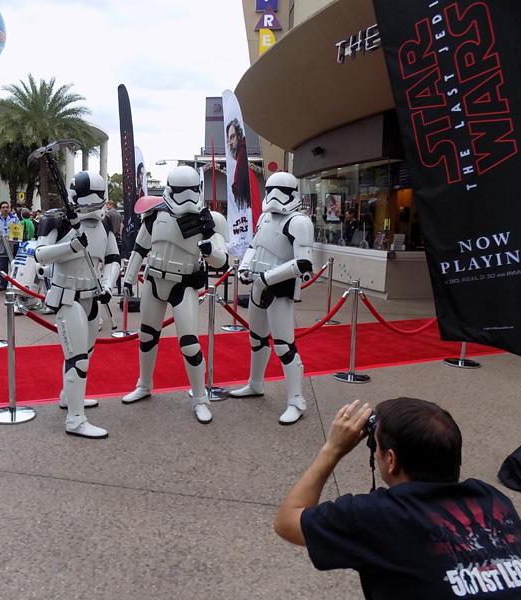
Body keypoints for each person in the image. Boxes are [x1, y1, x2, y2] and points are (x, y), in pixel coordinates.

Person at [274, 397, 521, 599]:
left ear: (391, 460)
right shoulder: (494, 500)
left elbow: (287, 521)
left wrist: (332, 449)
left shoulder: (379, 515)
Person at [122, 166, 229, 424]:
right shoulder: (154, 215)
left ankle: (201, 398)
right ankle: (144, 384)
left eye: (193, 191)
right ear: (170, 190)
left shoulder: (210, 221)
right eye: (182, 191)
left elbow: (222, 260)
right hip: (154, 280)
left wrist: (209, 251)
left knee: (190, 344)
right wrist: (127, 279)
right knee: (147, 336)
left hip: (184, 284)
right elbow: (139, 248)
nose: (188, 197)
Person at [34, 171, 120, 438]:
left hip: (91, 296)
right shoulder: (55, 219)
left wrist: (107, 285)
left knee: (86, 353)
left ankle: (67, 396)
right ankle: (75, 420)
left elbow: (114, 257)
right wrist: (70, 246)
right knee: (78, 358)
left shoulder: (105, 225)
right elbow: (39, 254)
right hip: (67, 296)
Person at [231, 172, 315, 424]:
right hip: (258, 283)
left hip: (280, 287)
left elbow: (303, 263)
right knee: (256, 338)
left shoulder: (299, 222)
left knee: (283, 344)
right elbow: (254, 246)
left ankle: (296, 399)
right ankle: (256, 383)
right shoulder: (265, 217)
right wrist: (245, 268)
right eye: (272, 189)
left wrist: (269, 277)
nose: (275, 195)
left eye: (281, 189)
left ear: (292, 193)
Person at [0, 200, 20, 291]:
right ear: (0, 209)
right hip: (1, 246)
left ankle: (16, 283)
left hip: (13, 246)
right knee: (2, 266)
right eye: (3, 207)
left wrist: (11, 239)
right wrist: (1, 238)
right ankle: (3, 284)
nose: (5, 209)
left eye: (7, 207)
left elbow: (18, 232)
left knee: (15, 266)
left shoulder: (15, 219)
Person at [226, 117, 250, 211]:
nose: (230, 143)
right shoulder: (241, 154)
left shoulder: (242, 153)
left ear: (239, 136)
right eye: (228, 140)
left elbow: (240, 189)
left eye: (232, 137)